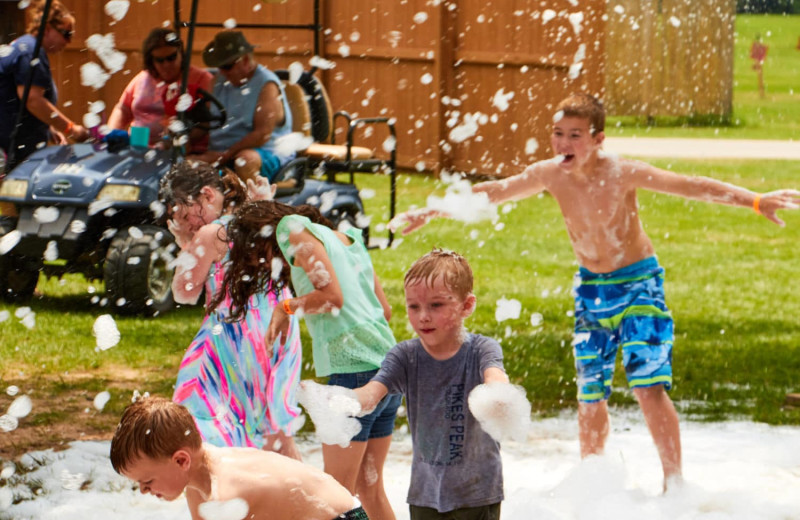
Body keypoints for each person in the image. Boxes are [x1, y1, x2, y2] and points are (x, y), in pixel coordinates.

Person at [389, 93, 800, 489]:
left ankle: (674, 483)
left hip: (639, 284)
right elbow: (493, 191)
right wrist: (432, 209)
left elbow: (689, 185)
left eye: (575, 135)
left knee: (647, 384)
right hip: (591, 290)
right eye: (558, 133)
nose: (563, 143)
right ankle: (591, 484)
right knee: (590, 390)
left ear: (598, 139)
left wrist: (755, 200)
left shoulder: (623, 172)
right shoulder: (549, 174)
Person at [218, 200, 401, 520]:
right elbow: (383, 311)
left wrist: (285, 309)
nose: (262, 264)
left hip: (353, 372)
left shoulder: (289, 228)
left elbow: (331, 299)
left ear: (262, 235)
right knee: (369, 488)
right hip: (388, 370)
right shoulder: (347, 240)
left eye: (256, 254)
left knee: (336, 495)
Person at [348, 248, 526, 520]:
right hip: (425, 493)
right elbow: (372, 392)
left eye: (436, 305)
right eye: (413, 306)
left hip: (477, 493)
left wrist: (498, 394)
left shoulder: (481, 349)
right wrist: (341, 401)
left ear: (466, 305)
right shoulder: (405, 356)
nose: (423, 317)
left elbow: (495, 376)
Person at [162, 161, 302, 460]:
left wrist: (185, 245)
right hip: (279, 329)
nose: (187, 224)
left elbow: (183, 293)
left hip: (234, 336)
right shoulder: (256, 222)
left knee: (202, 425)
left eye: (186, 214)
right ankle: (322, 504)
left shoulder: (212, 233)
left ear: (208, 195)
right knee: (276, 436)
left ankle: (226, 499)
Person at [109, 396, 369, 520]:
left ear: (180, 460)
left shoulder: (227, 492)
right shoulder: (196, 483)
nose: (143, 491)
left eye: (146, 481)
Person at [190, 31, 295, 186]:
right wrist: (182, 138)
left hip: (265, 151)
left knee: (243, 161)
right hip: (222, 153)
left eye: (227, 66)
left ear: (245, 60)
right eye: (220, 67)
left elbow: (261, 135)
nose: (222, 72)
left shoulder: (267, 85)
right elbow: (207, 123)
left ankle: (255, 205)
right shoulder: (217, 82)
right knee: (184, 166)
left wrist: (224, 155)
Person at [0, 0, 89, 170]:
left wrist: (48, 128)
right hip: (7, 151)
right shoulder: (30, 53)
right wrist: (72, 129)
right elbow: (32, 100)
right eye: (66, 34)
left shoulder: (27, 47)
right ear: (47, 28)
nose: (68, 41)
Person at [107, 27, 213, 153]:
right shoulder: (143, 77)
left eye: (171, 57)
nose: (166, 64)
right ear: (151, 61)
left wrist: (180, 139)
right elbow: (122, 108)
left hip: (181, 151)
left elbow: (206, 123)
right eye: (160, 60)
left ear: (181, 54)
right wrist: (111, 133)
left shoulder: (200, 79)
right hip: (137, 148)